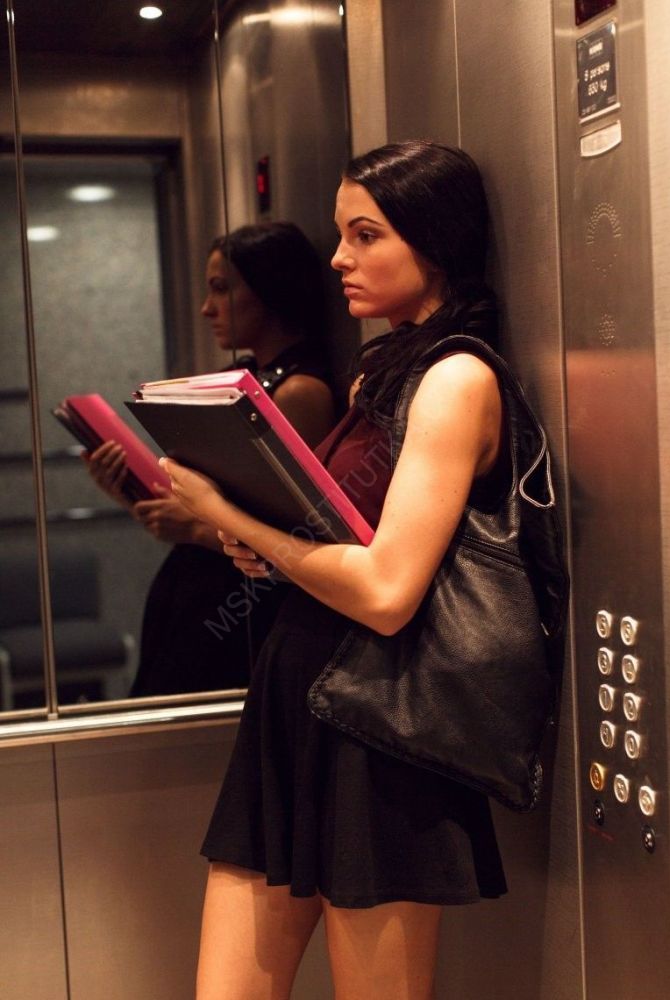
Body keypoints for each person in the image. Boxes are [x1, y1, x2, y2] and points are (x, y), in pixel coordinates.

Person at [162, 141, 517, 999]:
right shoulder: (377, 374)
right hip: (295, 697)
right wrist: (267, 547)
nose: (338, 259)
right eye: (340, 234)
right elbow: (338, 541)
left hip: (380, 725)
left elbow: (388, 592)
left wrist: (228, 518)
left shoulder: (457, 379)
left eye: (365, 235)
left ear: (434, 240)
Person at [83, 222, 336, 696]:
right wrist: (128, 490)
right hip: (197, 587)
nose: (207, 308)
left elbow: (296, 540)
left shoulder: (301, 391)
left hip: (240, 605)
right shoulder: (242, 376)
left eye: (221, 288)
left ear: (269, 288)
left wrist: (196, 529)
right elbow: (205, 500)